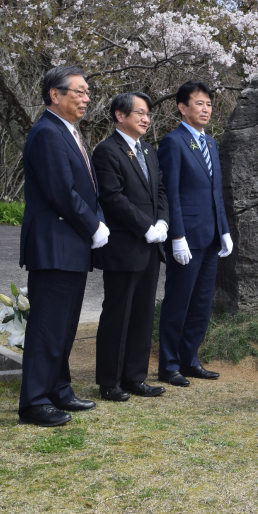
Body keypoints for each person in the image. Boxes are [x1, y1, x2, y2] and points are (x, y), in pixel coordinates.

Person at [19, 66, 108, 427]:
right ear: (55, 95)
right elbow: (61, 192)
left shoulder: (66, 131)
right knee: (47, 325)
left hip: (71, 243)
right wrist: (93, 225)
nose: (86, 98)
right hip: (55, 243)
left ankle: (58, 388)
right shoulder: (46, 133)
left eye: (88, 92)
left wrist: (95, 221)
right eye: (79, 91)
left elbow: (86, 187)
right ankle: (34, 401)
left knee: (65, 324)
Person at [92, 93, 169, 401]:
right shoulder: (107, 151)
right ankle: (109, 381)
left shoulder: (148, 150)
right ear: (119, 115)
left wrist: (162, 223)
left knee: (142, 315)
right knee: (117, 314)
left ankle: (135, 377)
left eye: (147, 113)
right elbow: (111, 197)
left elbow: (160, 190)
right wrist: (145, 226)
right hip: (124, 247)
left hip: (151, 246)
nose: (145, 118)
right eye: (139, 112)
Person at [156, 81, 232, 387]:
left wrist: (224, 231)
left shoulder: (211, 143)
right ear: (182, 107)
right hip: (186, 237)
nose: (205, 109)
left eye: (209, 104)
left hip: (211, 236)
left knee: (202, 303)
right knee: (178, 302)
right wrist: (177, 236)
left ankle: (190, 359)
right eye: (199, 103)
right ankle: (169, 364)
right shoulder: (173, 142)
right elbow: (170, 192)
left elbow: (216, 192)